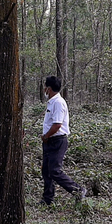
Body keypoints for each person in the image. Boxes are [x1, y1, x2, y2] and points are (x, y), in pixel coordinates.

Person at [40, 75, 85, 206]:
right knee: (46, 171)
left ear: (48, 88)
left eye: (45, 87)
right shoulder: (51, 102)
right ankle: (47, 199)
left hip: (57, 141)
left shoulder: (58, 103)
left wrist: (47, 136)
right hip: (49, 141)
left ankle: (78, 190)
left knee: (54, 171)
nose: (44, 90)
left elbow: (57, 125)